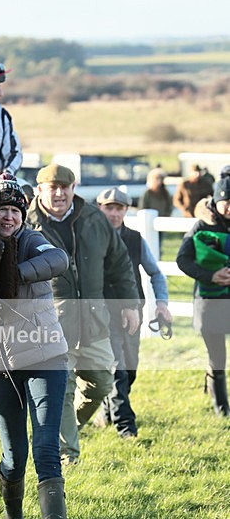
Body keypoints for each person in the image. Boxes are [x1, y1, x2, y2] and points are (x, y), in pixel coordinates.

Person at [26, 164, 140, 463]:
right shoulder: (27, 224)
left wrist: (129, 304)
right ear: (40, 190)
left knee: (101, 383)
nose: (60, 193)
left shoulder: (93, 218)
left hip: (94, 319)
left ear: (74, 188)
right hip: (51, 323)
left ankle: (62, 431)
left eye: (65, 187)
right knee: (62, 389)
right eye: (53, 187)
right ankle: (67, 455)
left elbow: (119, 262)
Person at [0, 173, 70, 519]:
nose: (9, 217)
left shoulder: (29, 240)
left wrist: (14, 274)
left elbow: (58, 259)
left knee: (46, 447)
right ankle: (13, 516)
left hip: (46, 356)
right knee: (14, 457)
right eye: (2, 209)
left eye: (15, 210)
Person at [95, 187, 173, 437]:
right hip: (102, 313)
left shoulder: (136, 239)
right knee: (118, 368)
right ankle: (125, 426)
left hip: (132, 312)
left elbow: (155, 273)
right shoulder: (89, 238)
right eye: (110, 208)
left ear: (126, 210)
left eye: (120, 208)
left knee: (130, 371)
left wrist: (162, 303)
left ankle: (107, 409)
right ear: (100, 208)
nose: (115, 213)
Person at [176, 176, 230, 416]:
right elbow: (183, 260)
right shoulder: (201, 226)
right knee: (217, 355)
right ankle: (222, 408)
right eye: (226, 201)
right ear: (216, 201)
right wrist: (211, 275)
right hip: (211, 302)